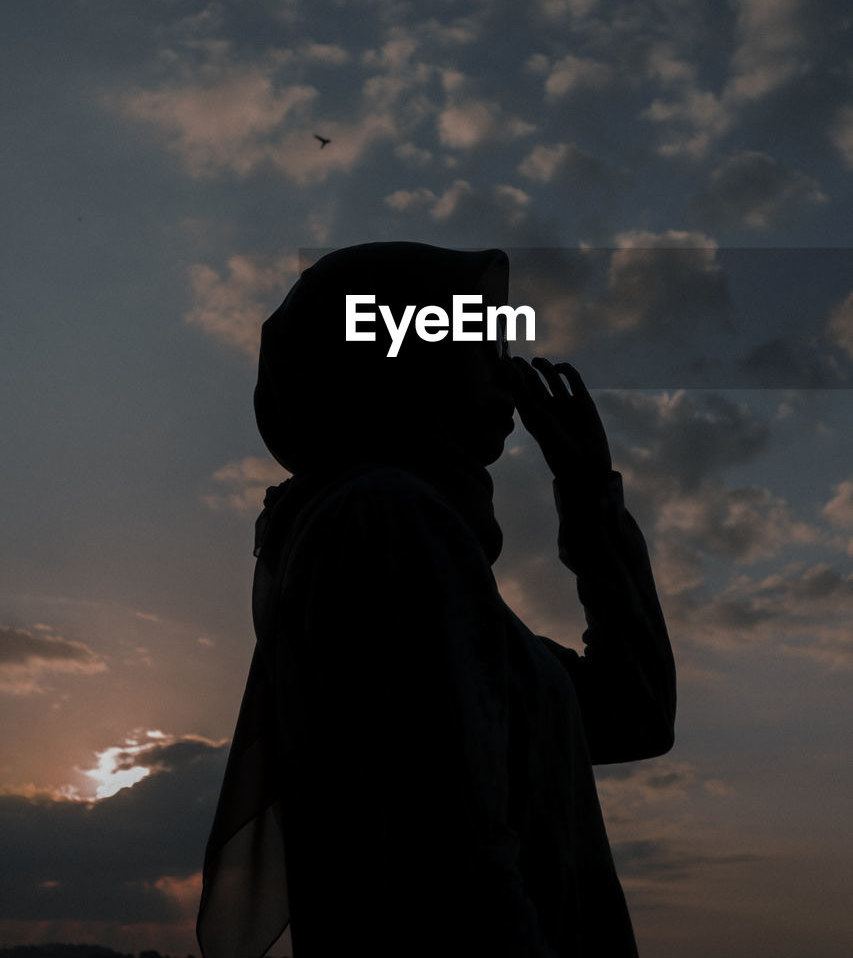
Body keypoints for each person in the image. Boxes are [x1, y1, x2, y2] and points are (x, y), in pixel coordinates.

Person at [196, 242, 676, 958]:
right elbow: (456, 868)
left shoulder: (405, 541)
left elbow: (629, 714)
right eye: (477, 335)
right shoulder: (384, 523)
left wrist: (588, 498)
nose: (510, 370)